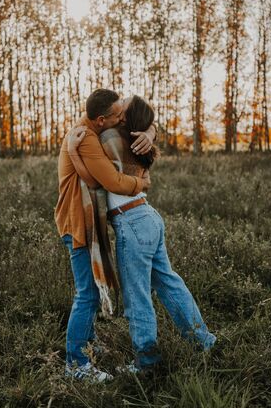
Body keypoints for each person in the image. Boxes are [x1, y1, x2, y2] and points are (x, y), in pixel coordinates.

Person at [68, 95, 216, 373]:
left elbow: (95, 179)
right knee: (170, 284)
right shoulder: (137, 140)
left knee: (137, 297)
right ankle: (203, 341)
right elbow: (144, 123)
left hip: (132, 223)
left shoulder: (110, 135)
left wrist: (74, 151)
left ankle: (147, 362)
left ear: (125, 116)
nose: (120, 103)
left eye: (123, 103)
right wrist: (151, 130)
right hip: (148, 218)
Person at [55, 89, 155, 382]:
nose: (122, 118)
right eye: (117, 116)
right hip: (78, 222)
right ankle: (76, 365)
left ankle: (90, 347)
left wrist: (150, 129)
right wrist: (141, 183)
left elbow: (142, 118)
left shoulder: (91, 129)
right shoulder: (85, 138)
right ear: (102, 120)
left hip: (87, 221)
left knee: (90, 293)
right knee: (86, 295)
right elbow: (110, 180)